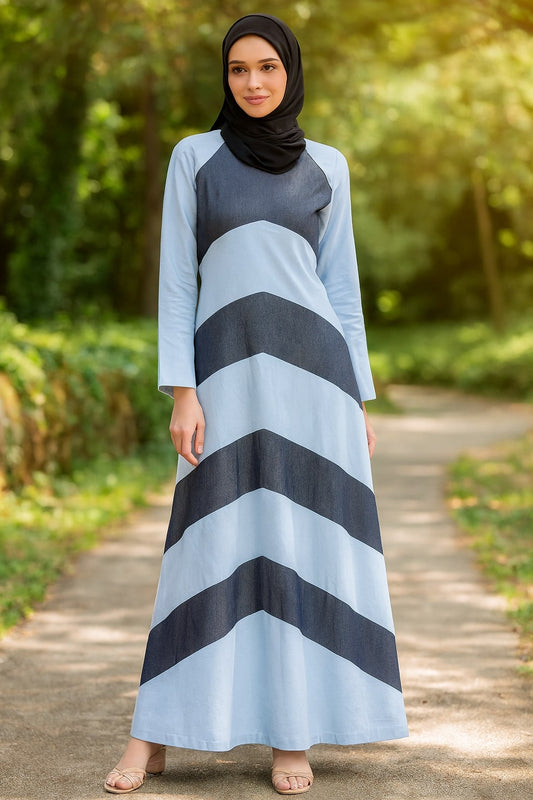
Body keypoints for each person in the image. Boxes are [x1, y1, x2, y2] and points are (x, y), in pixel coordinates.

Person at [104, 13, 408, 796]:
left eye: (266, 67)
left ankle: (291, 735)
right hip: (227, 381)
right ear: (225, 77)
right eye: (238, 69)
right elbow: (179, 280)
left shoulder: (328, 167)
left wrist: (357, 400)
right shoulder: (194, 157)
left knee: (304, 548)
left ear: (290, 70)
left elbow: (341, 290)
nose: (252, 83)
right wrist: (182, 389)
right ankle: (158, 734)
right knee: (202, 552)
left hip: (315, 385)